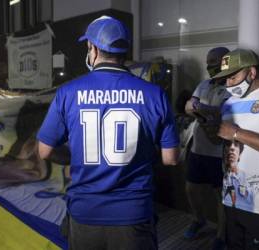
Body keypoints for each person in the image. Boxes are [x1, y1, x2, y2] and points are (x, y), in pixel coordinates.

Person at [36, 16, 179, 250]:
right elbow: (170, 158)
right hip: (133, 214)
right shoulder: (155, 94)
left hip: (85, 213)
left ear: (92, 48)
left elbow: (44, 151)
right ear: (124, 50)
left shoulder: (68, 92)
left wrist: (77, 157)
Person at [184, 47, 230, 249]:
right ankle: (199, 219)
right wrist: (205, 114)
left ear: (224, 62)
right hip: (198, 149)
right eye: (207, 60)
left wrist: (200, 110)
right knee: (191, 188)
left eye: (213, 61)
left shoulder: (231, 87)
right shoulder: (203, 84)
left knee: (220, 195)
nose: (208, 65)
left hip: (218, 153)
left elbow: (222, 115)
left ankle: (221, 235)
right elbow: (187, 106)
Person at [215, 48, 259, 250]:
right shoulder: (228, 103)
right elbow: (223, 141)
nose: (229, 84)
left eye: (233, 77)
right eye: (225, 79)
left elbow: (233, 133)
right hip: (232, 198)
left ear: (251, 72)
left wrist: (236, 133)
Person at [222, 139, 253, 208]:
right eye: (228, 144)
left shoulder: (244, 177)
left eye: (236, 145)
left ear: (240, 154)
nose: (231, 147)